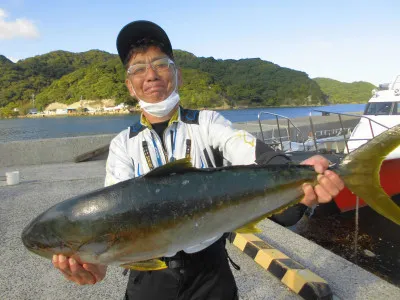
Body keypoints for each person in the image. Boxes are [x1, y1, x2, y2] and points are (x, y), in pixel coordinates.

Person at [52, 20, 344, 299]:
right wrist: (98, 263)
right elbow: (114, 221)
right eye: (139, 68)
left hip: (210, 273)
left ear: (177, 74)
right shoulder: (122, 145)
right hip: (149, 281)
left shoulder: (208, 124)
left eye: (161, 64)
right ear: (130, 86)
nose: (151, 75)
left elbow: (257, 155)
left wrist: (300, 178)